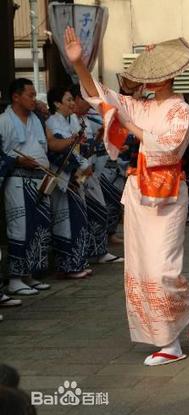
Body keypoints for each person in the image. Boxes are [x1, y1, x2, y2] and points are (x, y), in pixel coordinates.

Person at [66, 27, 189, 366]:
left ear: (171, 76)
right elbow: (101, 97)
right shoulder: (139, 105)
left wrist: (131, 128)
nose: (153, 80)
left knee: (164, 269)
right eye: (150, 75)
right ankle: (168, 343)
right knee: (142, 270)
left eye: (159, 75)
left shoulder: (180, 110)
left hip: (169, 193)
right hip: (138, 192)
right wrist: (80, 65)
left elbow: (169, 147)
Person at [0, 78, 70, 296]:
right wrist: (18, 161)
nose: (34, 99)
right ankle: (15, 278)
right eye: (30, 95)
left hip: (40, 179)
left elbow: (47, 146)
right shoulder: (4, 120)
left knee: (38, 225)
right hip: (18, 180)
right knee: (20, 226)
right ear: (16, 96)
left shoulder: (37, 119)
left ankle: (29, 275)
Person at [70, 84, 123, 265]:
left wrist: (100, 137)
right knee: (92, 211)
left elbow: (89, 149)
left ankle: (98, 250)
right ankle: (92, 252)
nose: (88, 104)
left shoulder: (85, 119)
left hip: (90, 171)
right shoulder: (69, 120)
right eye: (85, 100)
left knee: (100, 209)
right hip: (78, 173)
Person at [45, 86, 93, 280]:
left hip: (76, 175)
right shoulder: (52, 122)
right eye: (68, 100)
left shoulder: (70, 120)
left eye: (73, 100)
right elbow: (56, 150)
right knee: (65, 222)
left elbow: (77, 148)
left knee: (78, 220)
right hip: (64, 177)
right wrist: (76, 168)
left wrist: (83, 165)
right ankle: (67, 266)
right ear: (57, 103)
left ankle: (77, 262)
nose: (73, 103)